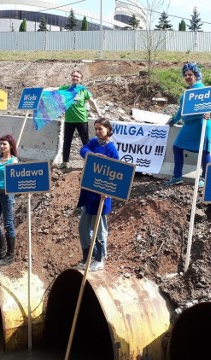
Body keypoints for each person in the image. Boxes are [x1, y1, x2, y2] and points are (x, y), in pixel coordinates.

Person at [76, 118, 119, 272]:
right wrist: (92, 155)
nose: (98, 131)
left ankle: (100, 259)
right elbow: (83, 150)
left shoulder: (112, 150)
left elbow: (117, 174)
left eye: (100, 128)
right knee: (83, 227)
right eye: (96, 128)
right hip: (88, 194)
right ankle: (88, 257)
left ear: (108, 129)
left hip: (101, 196)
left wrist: (107, 193)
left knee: (100, 229)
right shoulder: (94, 143)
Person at [165, 63, 211, 188]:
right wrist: (173, 121)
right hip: (189, 125)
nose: (187, 77)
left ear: (196, 76)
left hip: (201, 124)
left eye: (190, 74)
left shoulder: (203, 90)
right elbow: (182, 111)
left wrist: (208, 113)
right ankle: (177, 177)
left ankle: (206, 178)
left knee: (204, 151)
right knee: (177, 147)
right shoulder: (187, 93)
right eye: (185, 75)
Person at [57, 70, 103, 169]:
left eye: (77, 77)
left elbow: (92, 102)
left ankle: (88, 162)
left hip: (82, 119)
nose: (75, 78)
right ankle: (65, 162)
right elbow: (54, 92)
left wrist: (99, 113)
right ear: (71, 77)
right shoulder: (66, 89)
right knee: (67, 141)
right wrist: (41, 92)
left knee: (85, 142)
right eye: (74, 76)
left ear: (80, 79)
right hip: (69, 120)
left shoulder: (83, 90)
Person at [0, 134, 19, 266]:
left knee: (8, 224)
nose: (1, 146)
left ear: (10, 146)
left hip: (7, 195)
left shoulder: (13, 161)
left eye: (4, 144)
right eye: (1, 144)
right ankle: (1, 253)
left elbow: (15, 178)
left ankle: (10, 255)